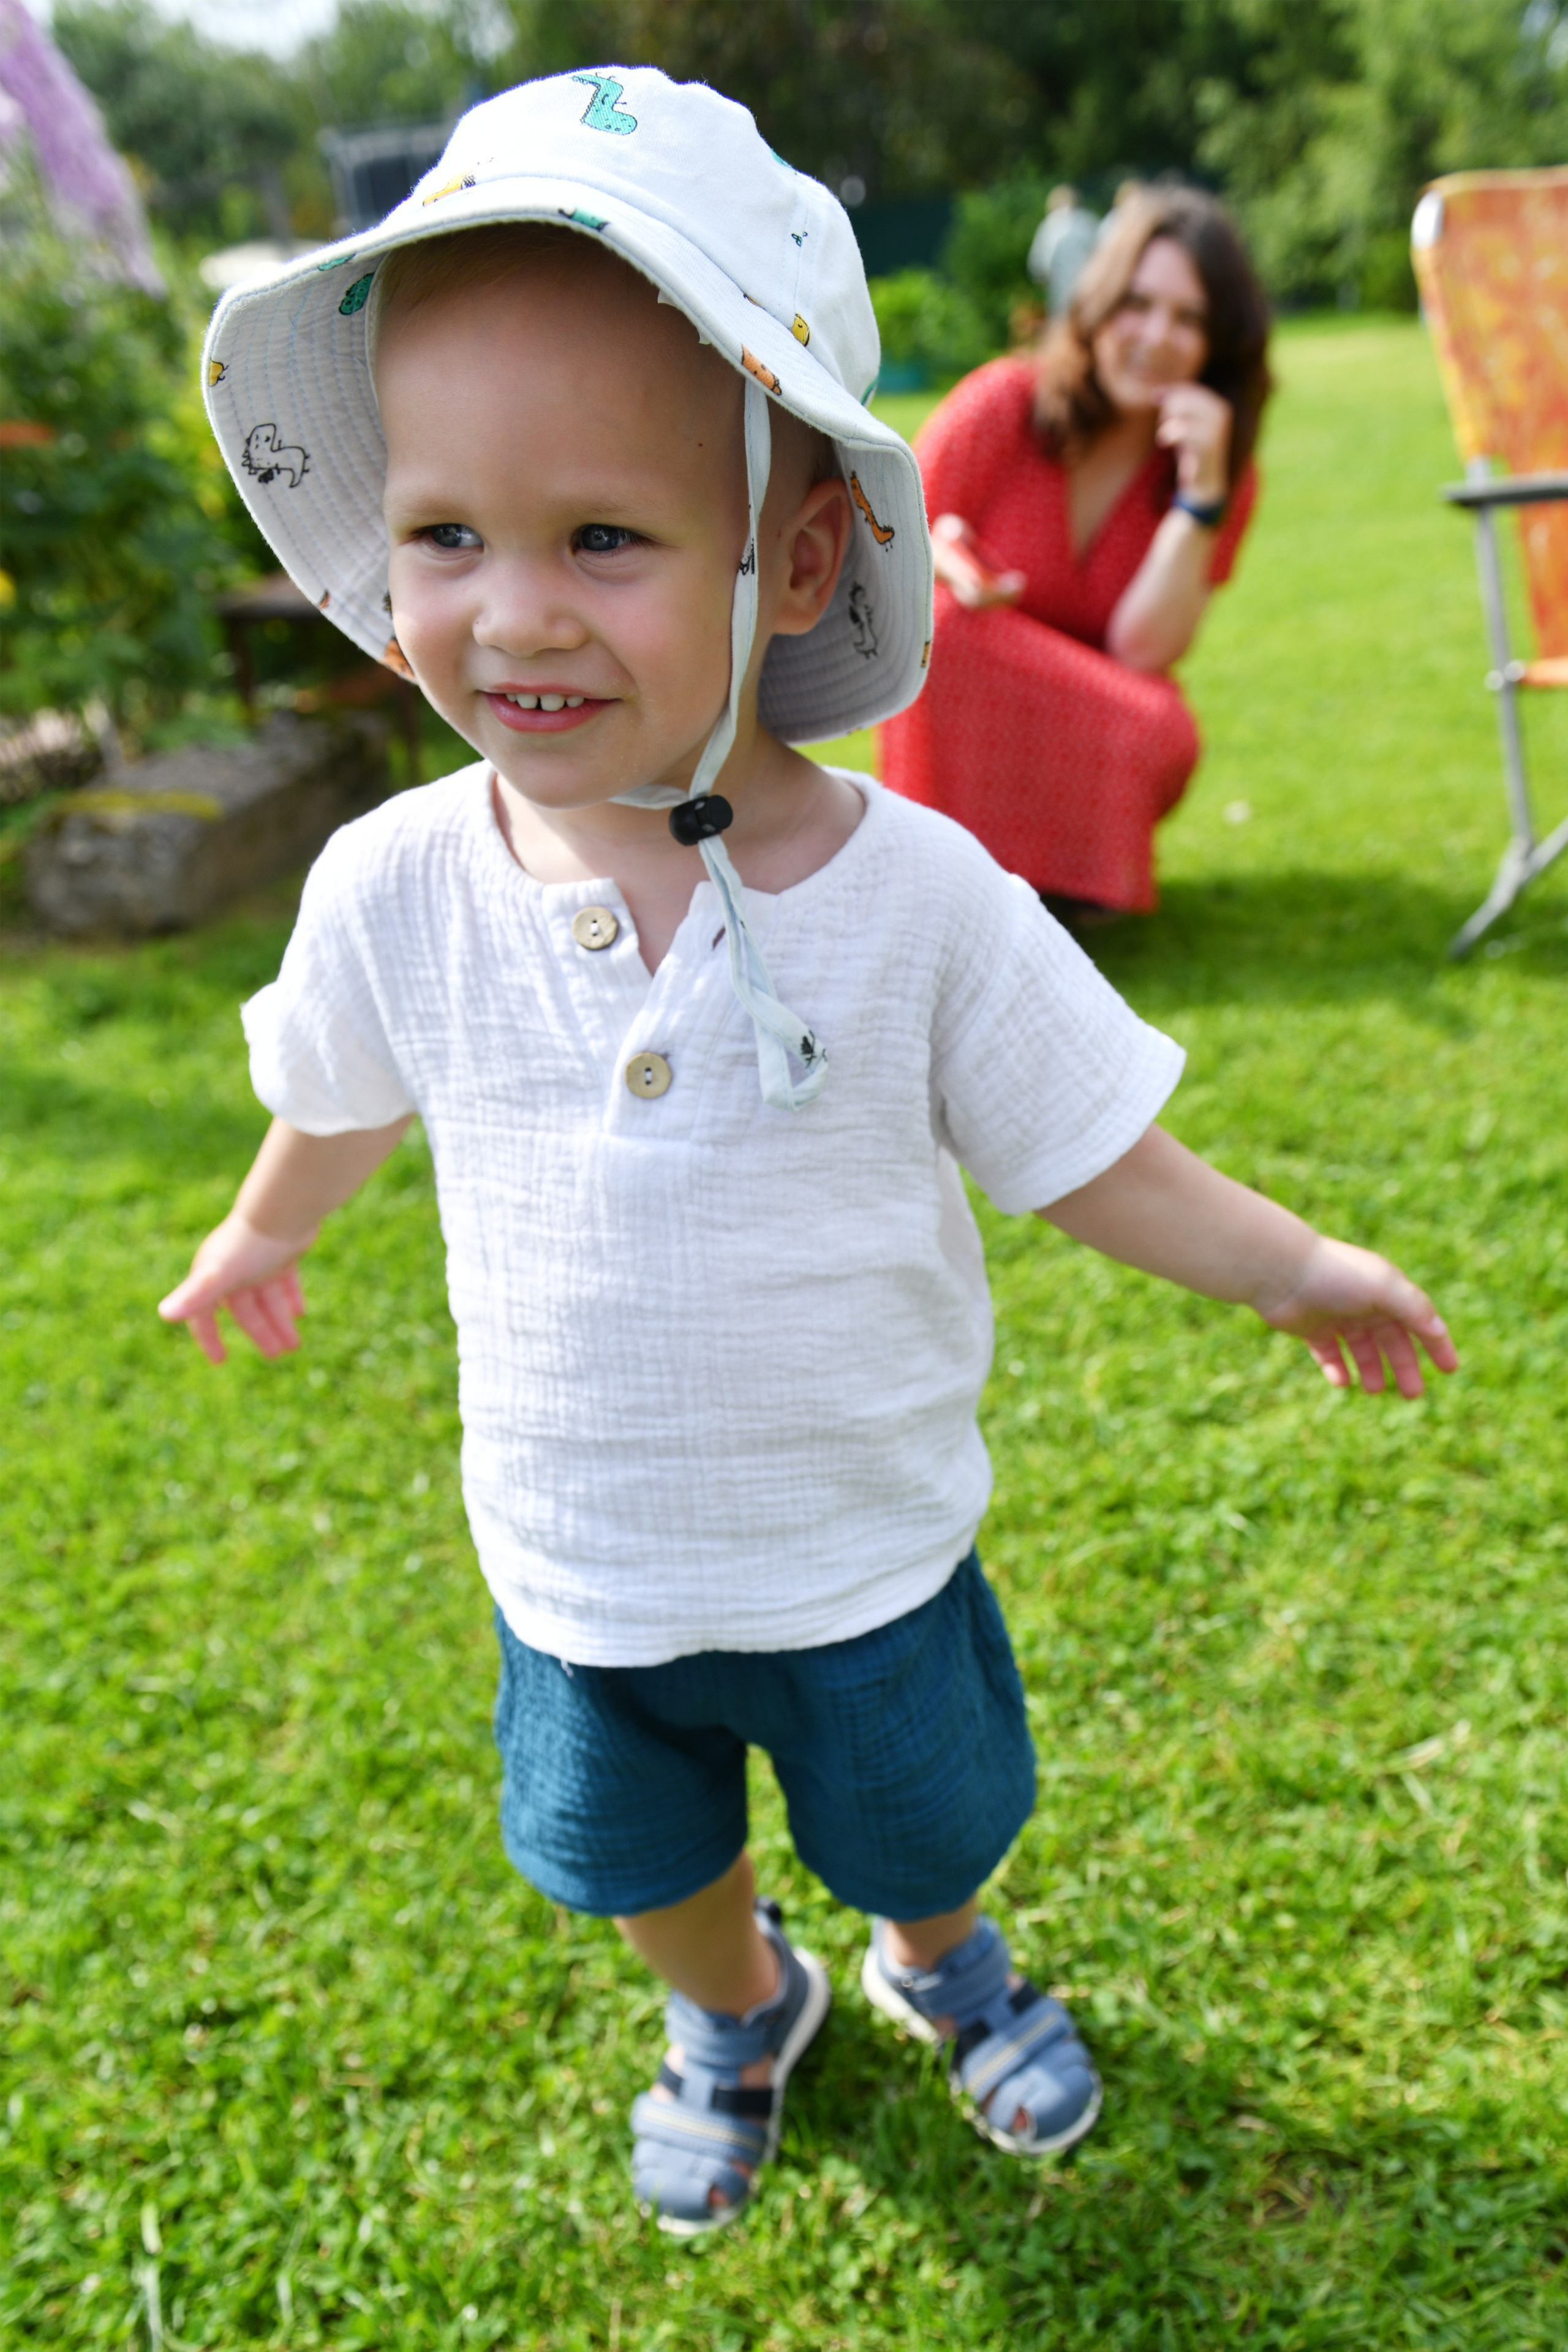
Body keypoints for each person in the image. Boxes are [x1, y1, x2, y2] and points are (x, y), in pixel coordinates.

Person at [160, 73, 1456, 2241]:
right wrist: (259, 1221)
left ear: (802, 550)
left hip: (862, 1545)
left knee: (922, 1811)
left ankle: (940, 1957)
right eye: (448, 533)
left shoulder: (921, 893)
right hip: (583, 1563)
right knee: (638, 1854)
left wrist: (1293, 1262)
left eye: (605, 537)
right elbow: (342, 1086)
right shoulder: (394, 882)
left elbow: (1083, 1154)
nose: (512, 612)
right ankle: (736, 2007)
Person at [880, 185, 1272, 921]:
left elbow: (1142, 647)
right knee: (947, 631)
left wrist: (1199, 499)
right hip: (961, 690)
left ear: (1219, 345)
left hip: (1091, 710)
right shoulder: (1000, 403)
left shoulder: (1218, 469)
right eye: (1137, 304)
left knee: (1162, 728)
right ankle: (940, 884)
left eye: (1188, 319)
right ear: (1095, 306)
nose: (1155, 336)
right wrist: (938, 555)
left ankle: (1059, 890)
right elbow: (879, 547)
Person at [1027, 183, 1100, 318]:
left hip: (1060, 296)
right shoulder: (1090, 222)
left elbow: (1038, 268)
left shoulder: (1049, 226)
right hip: (1091, 293)